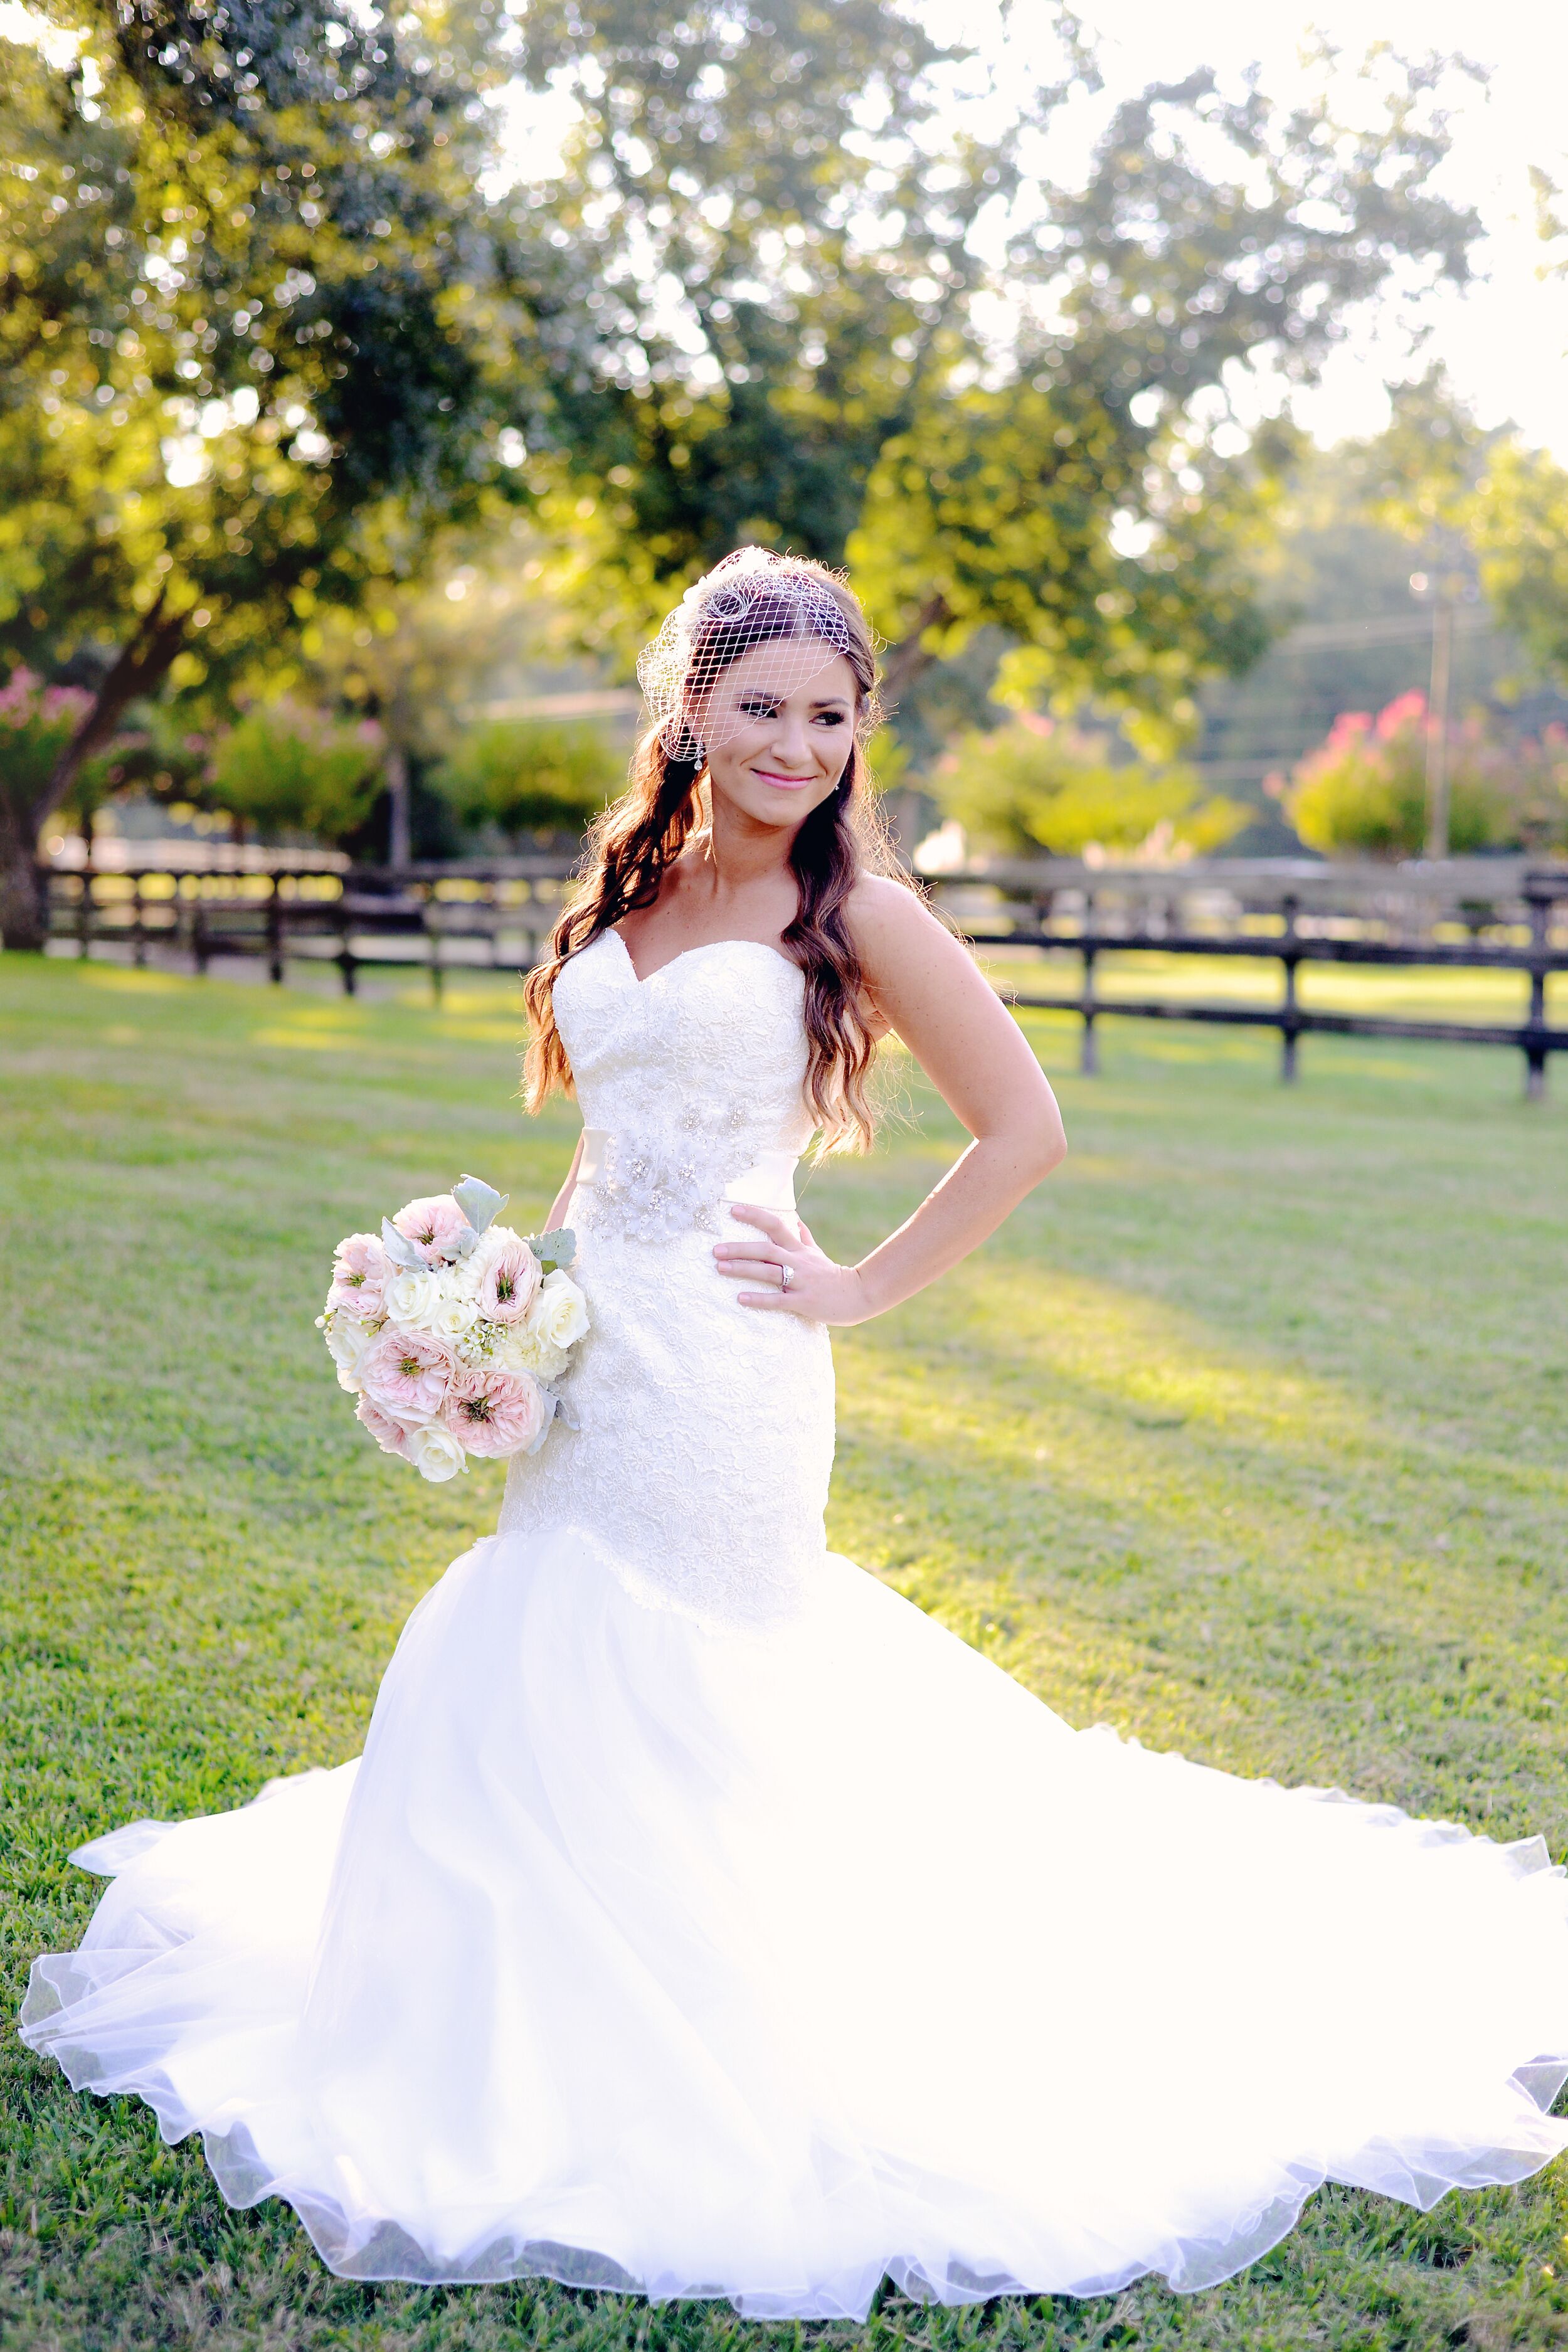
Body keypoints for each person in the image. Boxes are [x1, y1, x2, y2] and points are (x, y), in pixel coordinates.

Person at [23, 550, 1568, 2319]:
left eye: (830, 715)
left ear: (855, 735)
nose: (795, 741)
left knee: (709, 1679)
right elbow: (604, 1146)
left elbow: (1024, 1130)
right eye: (761, 705)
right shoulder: (636, 887)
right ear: (691, 710)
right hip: (589, 1357)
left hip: (737, 1374)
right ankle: (542, 2004)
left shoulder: (862, 914)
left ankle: (747, 2014)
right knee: (545, 1640)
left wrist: (850, 1289)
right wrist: (492, 1299)